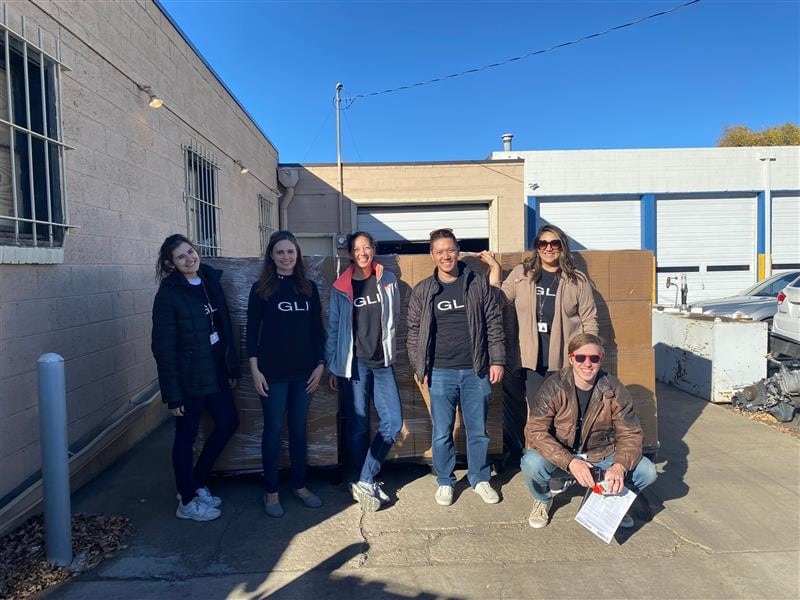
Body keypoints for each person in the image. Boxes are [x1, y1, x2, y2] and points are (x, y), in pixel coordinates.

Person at [480, 224, 598, 466]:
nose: (548, 248)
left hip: (562, 360)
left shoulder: (577, 281)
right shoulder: (523, 274)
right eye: (542, 244)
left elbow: (589, 320)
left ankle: (559, 461)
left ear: (562, 247)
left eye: (554, 243)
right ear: (536, 248)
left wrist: (587, 358)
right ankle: (533, 460)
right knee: (533, 413)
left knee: (559, 413)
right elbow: (499, 299)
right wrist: (495, 269)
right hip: (529, 358)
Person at [407, 228, 505, 507]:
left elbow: (493, 323)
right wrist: (419, 366)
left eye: (450, 250)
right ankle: (445, 481)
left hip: (476, 370)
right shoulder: (424, 290)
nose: (446, 256)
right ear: (432, 255)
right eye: (440, 251)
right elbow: (413, 332)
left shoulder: (477, 284)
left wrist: (496, 360)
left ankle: (480, 478)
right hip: (439, 372)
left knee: (478, 431)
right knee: (442, 431)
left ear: (457, 250)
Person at [521, 332, 657, 529]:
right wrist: (570, 462)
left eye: (593, 358)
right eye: (580, 358)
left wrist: (619, 466)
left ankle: (613, 501)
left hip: (601, 454)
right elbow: (535, 430)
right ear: (571, 358)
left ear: (600, 359)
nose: (587, 364)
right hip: (564, 453)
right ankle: (542, 499)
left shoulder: (614, 389)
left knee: (647, 471)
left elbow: (630, 434)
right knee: (531, 463)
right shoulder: (554, 387)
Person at [151, 234, 240, 522]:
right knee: (185, 437)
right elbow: (163, 347)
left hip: (214, 371)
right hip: (189, 378)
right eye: (181, 257)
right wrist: (172, 394)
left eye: (190, 252)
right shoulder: (169, 294)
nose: (190, 258)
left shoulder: (210, 281)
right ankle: (186, 500)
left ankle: (197, 481)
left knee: (228, 422)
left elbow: (224, 326)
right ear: (170, 264)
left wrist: (231, 367)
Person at [247, 231, 325, 517]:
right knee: (272, 432)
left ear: (297, 255)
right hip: (272, 374)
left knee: (298, 431)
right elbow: (251, 332)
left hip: (304, 373)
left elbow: (317, 330)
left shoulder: (308, 289)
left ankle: (300, 485)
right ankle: (271, 492)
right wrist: (254, 370)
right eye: (280, 252)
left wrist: (320, 364)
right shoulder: (261, 289)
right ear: (271, 255)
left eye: (290, 252)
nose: (286, 257)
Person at [325, 231, 403, 512]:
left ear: (373, 250)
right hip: (353, 364)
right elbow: (333, 328)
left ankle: (365, 478)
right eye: (357, 249)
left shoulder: (388, 280)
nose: (362, 253)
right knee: (357, 425)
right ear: (350, 254)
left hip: (382, 362)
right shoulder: (340, 287)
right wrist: (333, 365)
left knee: (393, 421)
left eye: (367, 247)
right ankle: (361, 479)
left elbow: (395, 319)